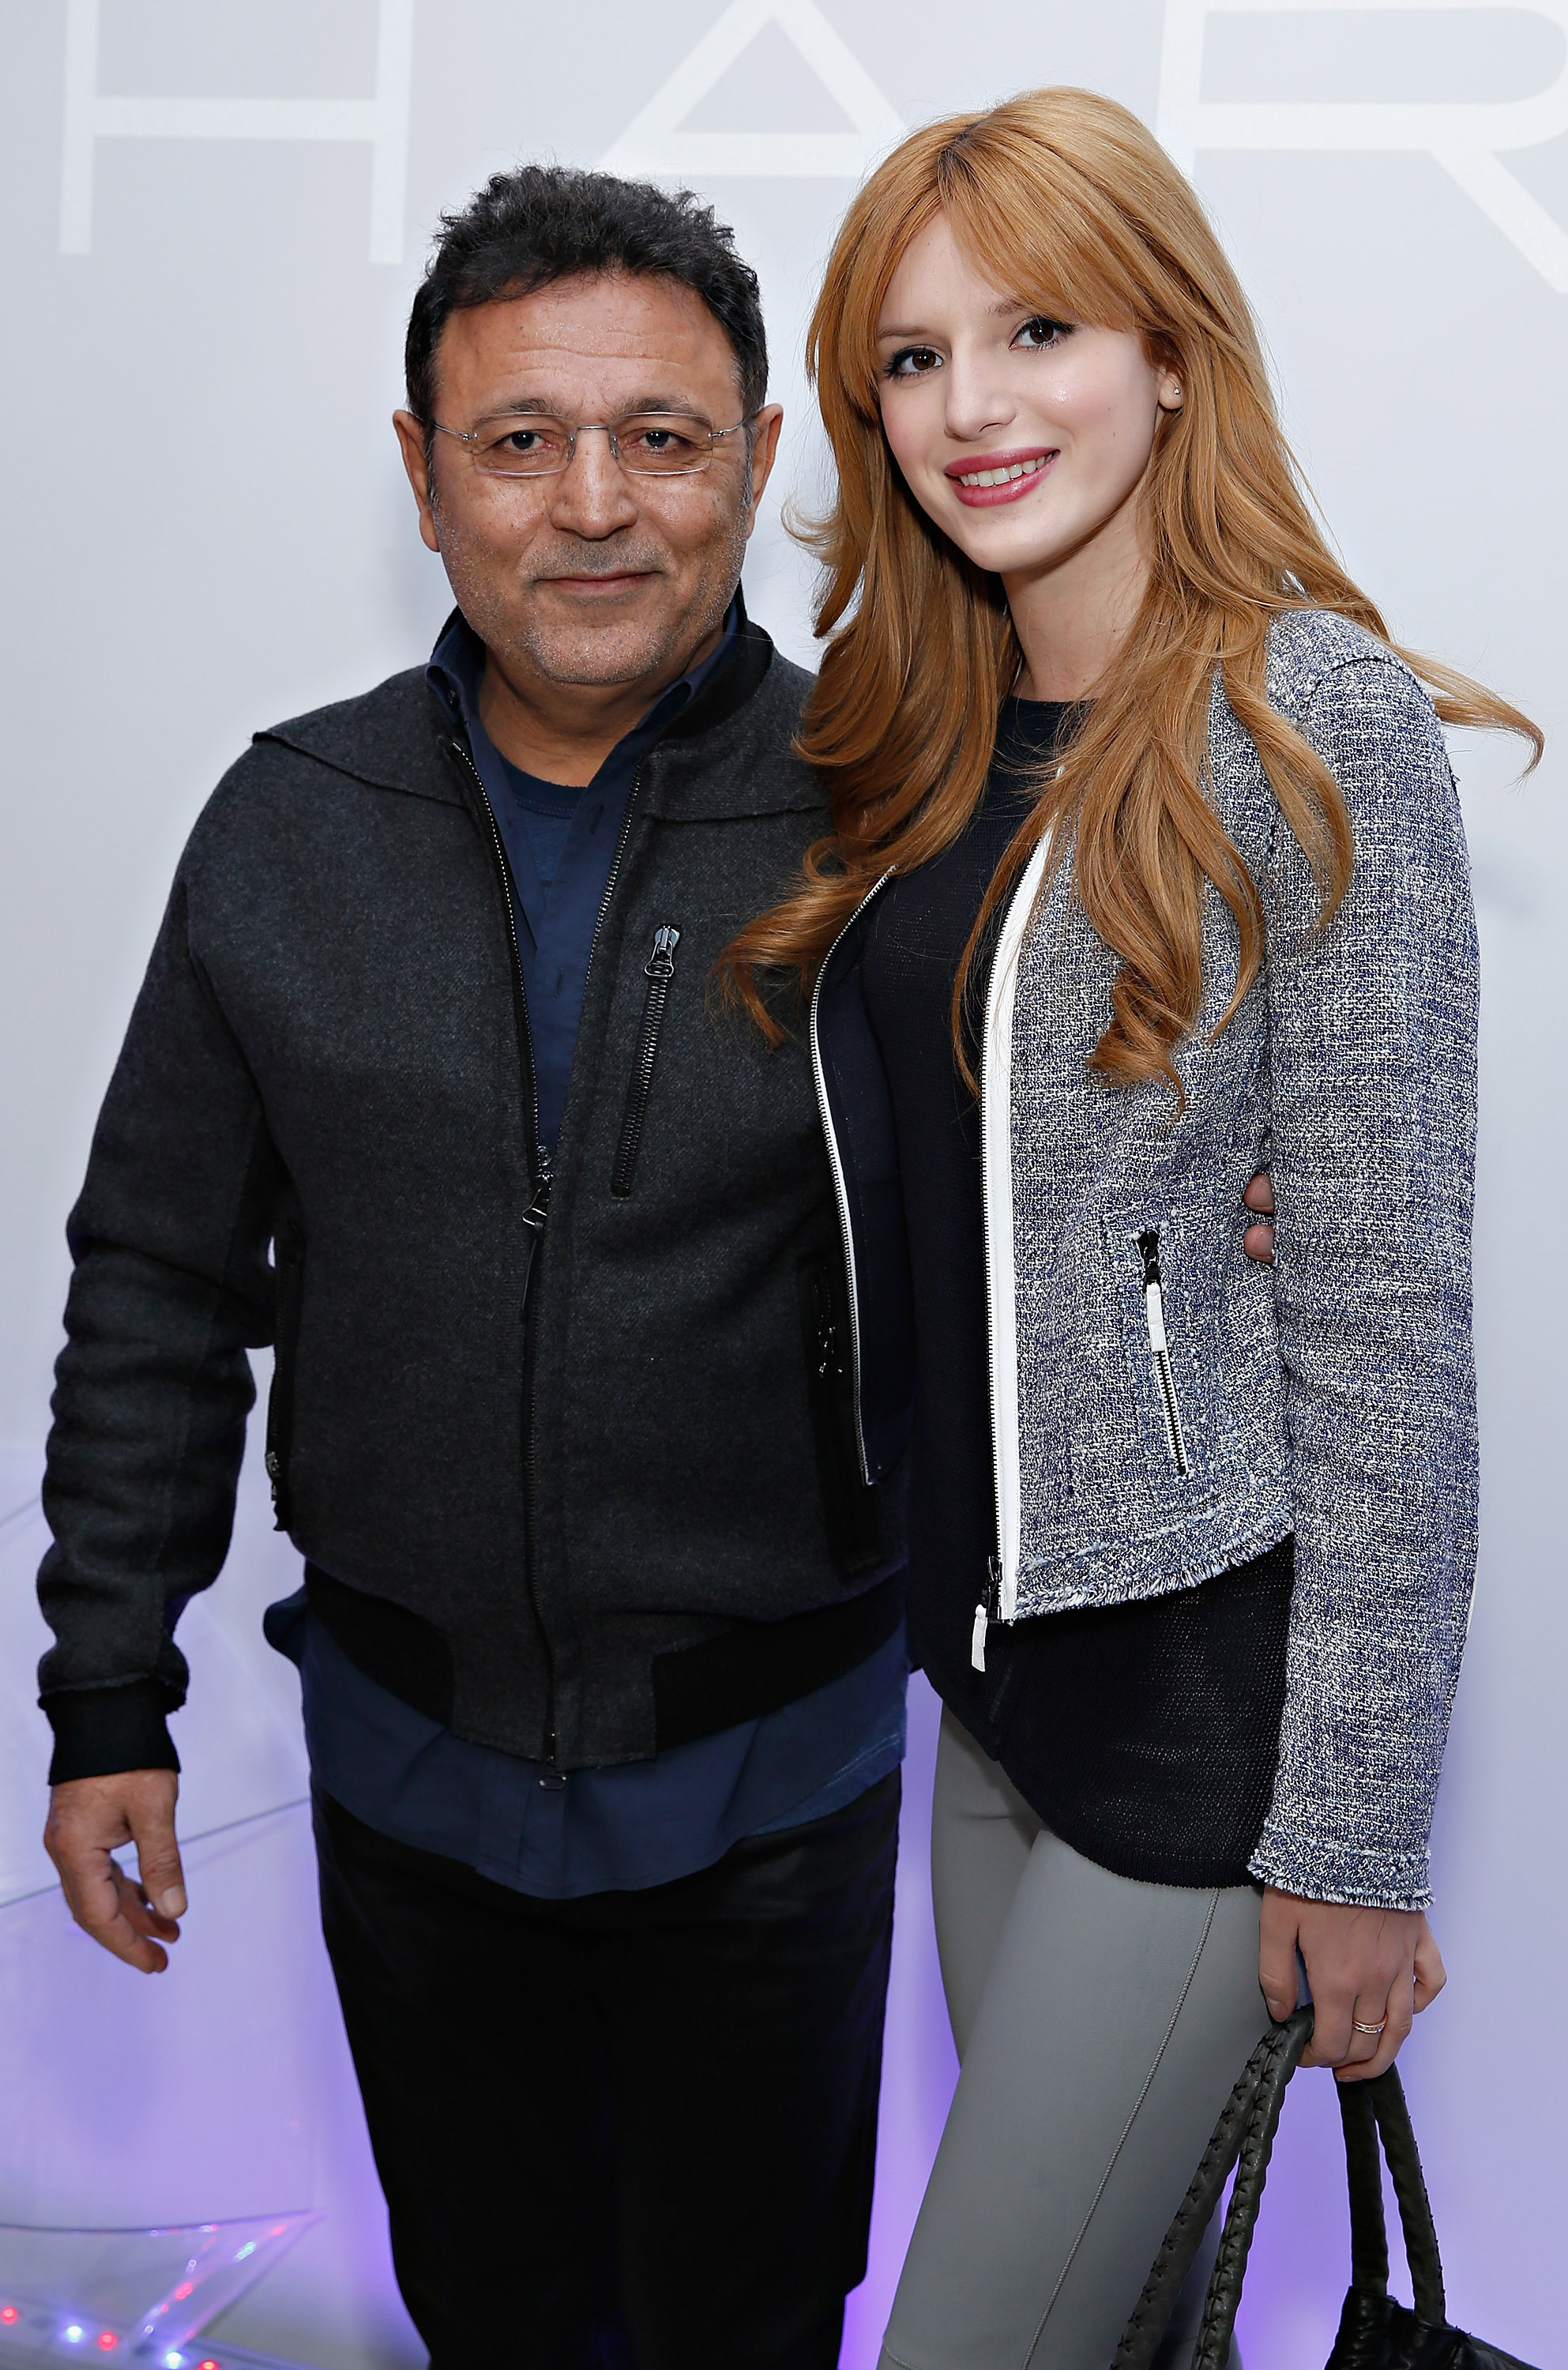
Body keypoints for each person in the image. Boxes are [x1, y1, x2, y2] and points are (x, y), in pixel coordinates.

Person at [35, 160, 1276, 2370]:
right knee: (491, 2317)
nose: (593, 505)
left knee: (743, 2327)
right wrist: (105, 1691)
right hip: (404, 1771)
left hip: (778, 1780)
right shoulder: (286, 825)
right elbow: (157, 1278)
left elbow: (1070, 1170)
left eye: (663, 437)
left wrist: (1226, 1196)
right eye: (521, 442)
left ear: (761, 459)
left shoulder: (898, 814)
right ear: (424, 473)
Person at [720, 89, 1539, 2370]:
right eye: (912, 359)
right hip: (986, 1694)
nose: (972, 408)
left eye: (1040, 332)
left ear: (1171, 354)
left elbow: (1388, 1326)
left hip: (1202, 1729)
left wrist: (1354, 1839)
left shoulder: (1311, 717)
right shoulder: (916, 729)